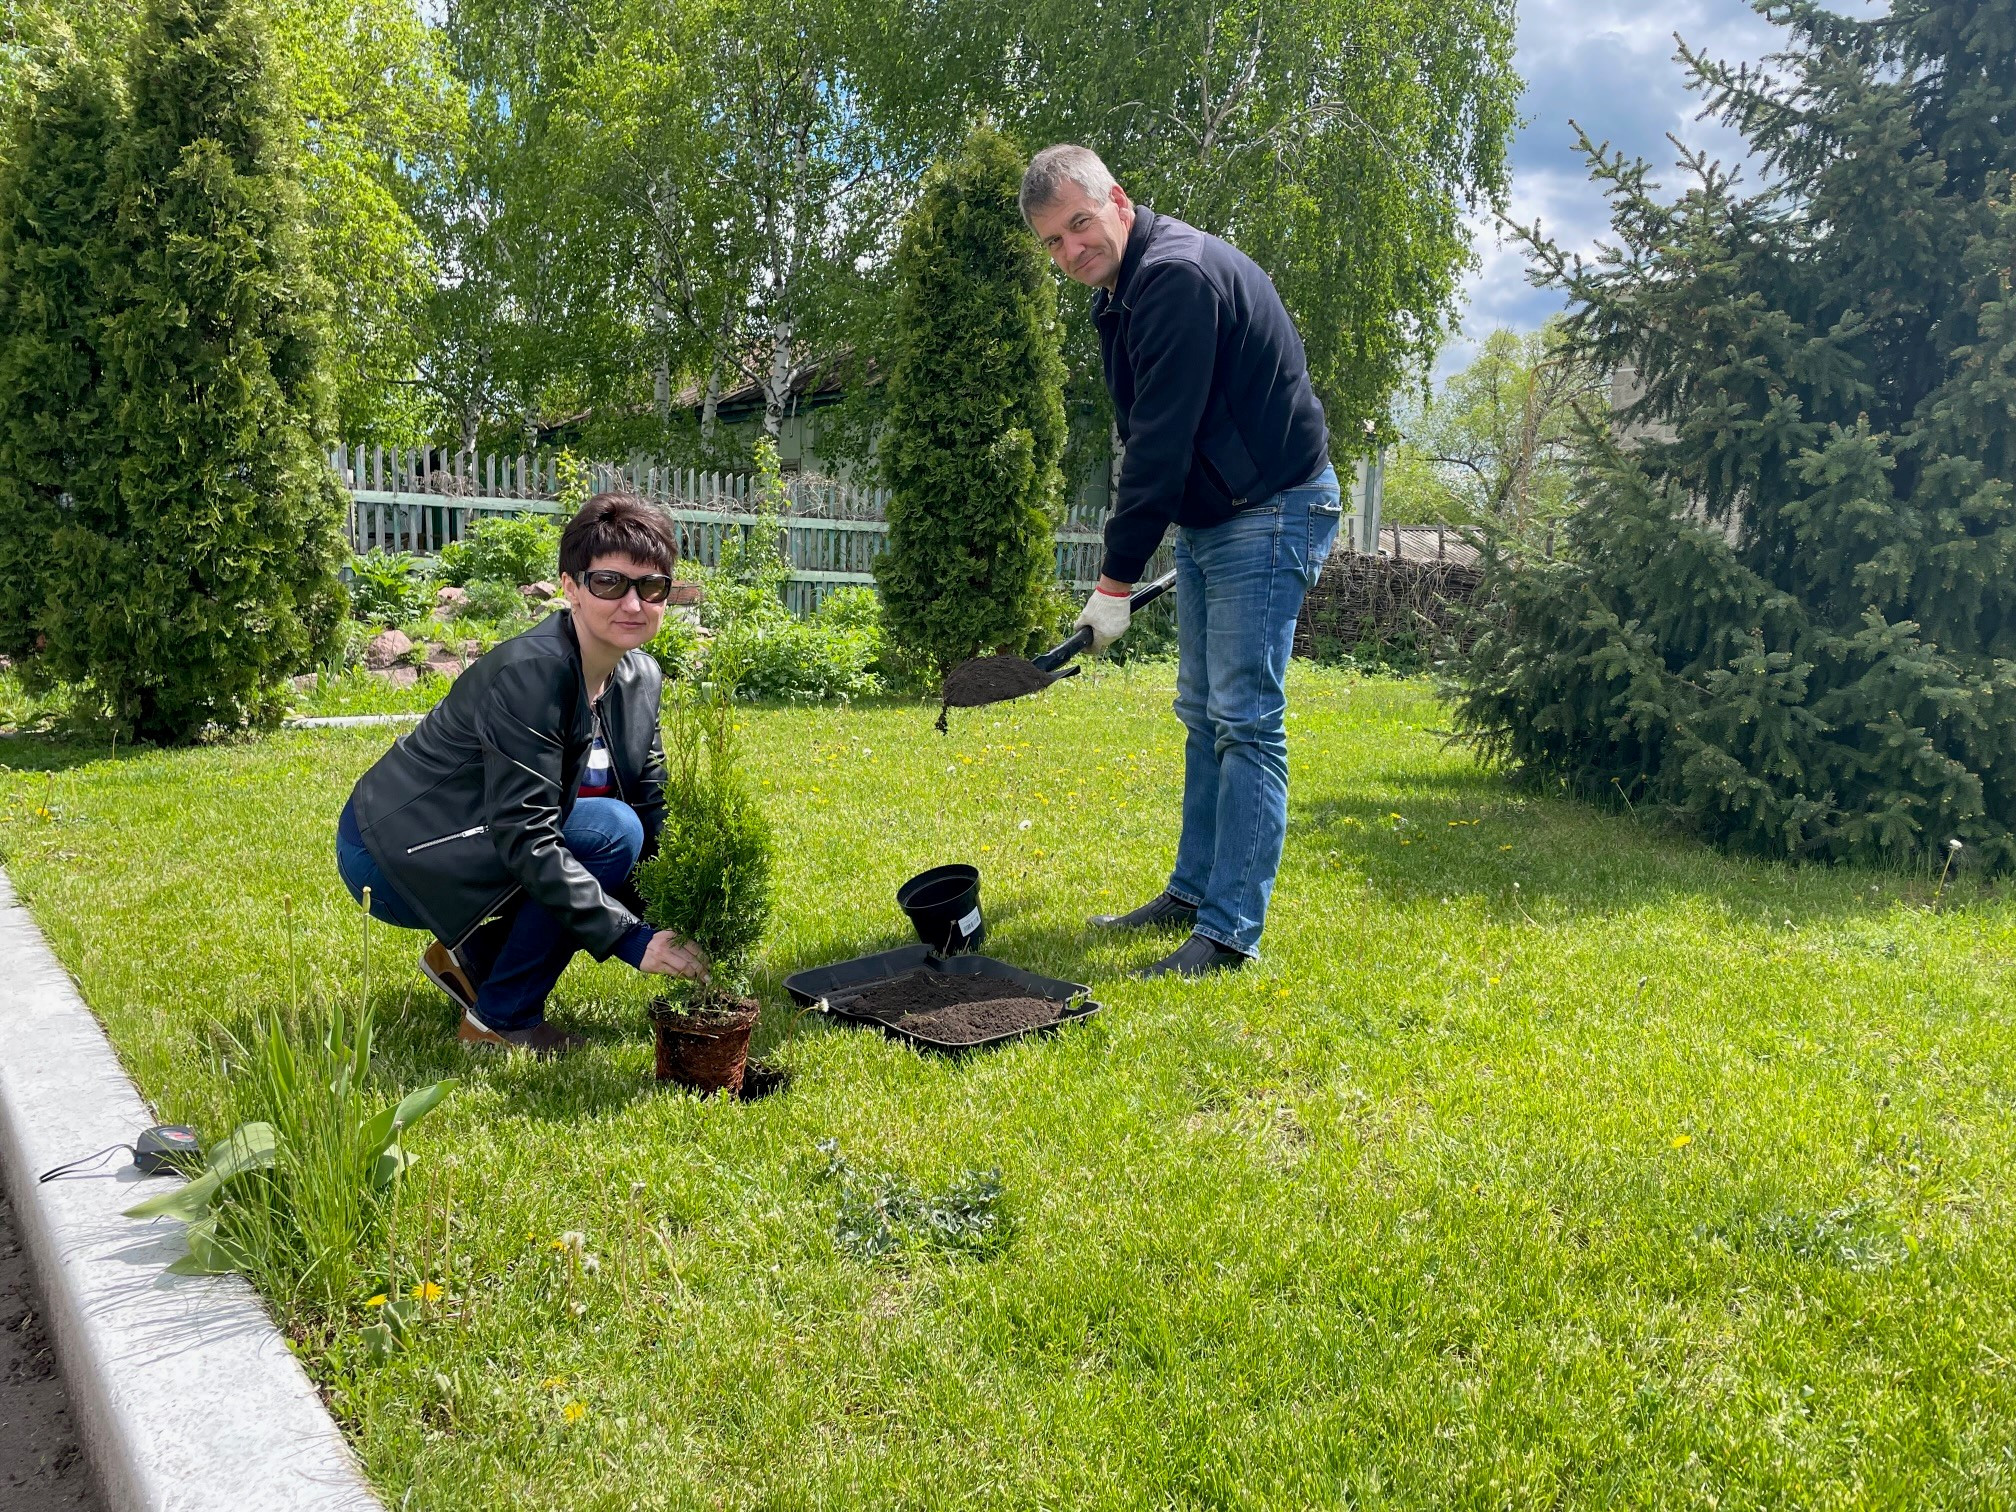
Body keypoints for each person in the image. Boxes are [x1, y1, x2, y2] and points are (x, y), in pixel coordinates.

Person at [1022, 144, 1342, 979]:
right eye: (1053, 242)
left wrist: (1113, 582)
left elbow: (1157, 447)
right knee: (1202, 712)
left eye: (1079, 225)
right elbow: (1151, 436)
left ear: (1118, 202)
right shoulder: (1120, 296)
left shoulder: (1174, 279)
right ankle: (1193, 893)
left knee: (1244, 720)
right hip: (1218, 515)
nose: (1071, 251)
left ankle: (1230, 933)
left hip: (1271, 508)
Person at [335, 492, 709, 1056]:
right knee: (610, 831)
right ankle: (500, 1021)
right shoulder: (529, 676)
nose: (633, 603)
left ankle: (477, 960)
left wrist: (680, 910)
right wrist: (632, 939)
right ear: (570, 587)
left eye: (651, 587)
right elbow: (527, 834)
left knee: (623, 828)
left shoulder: (640, 677)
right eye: (610, 583)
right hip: (393, 851)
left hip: (478, 837)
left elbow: (651, 803)